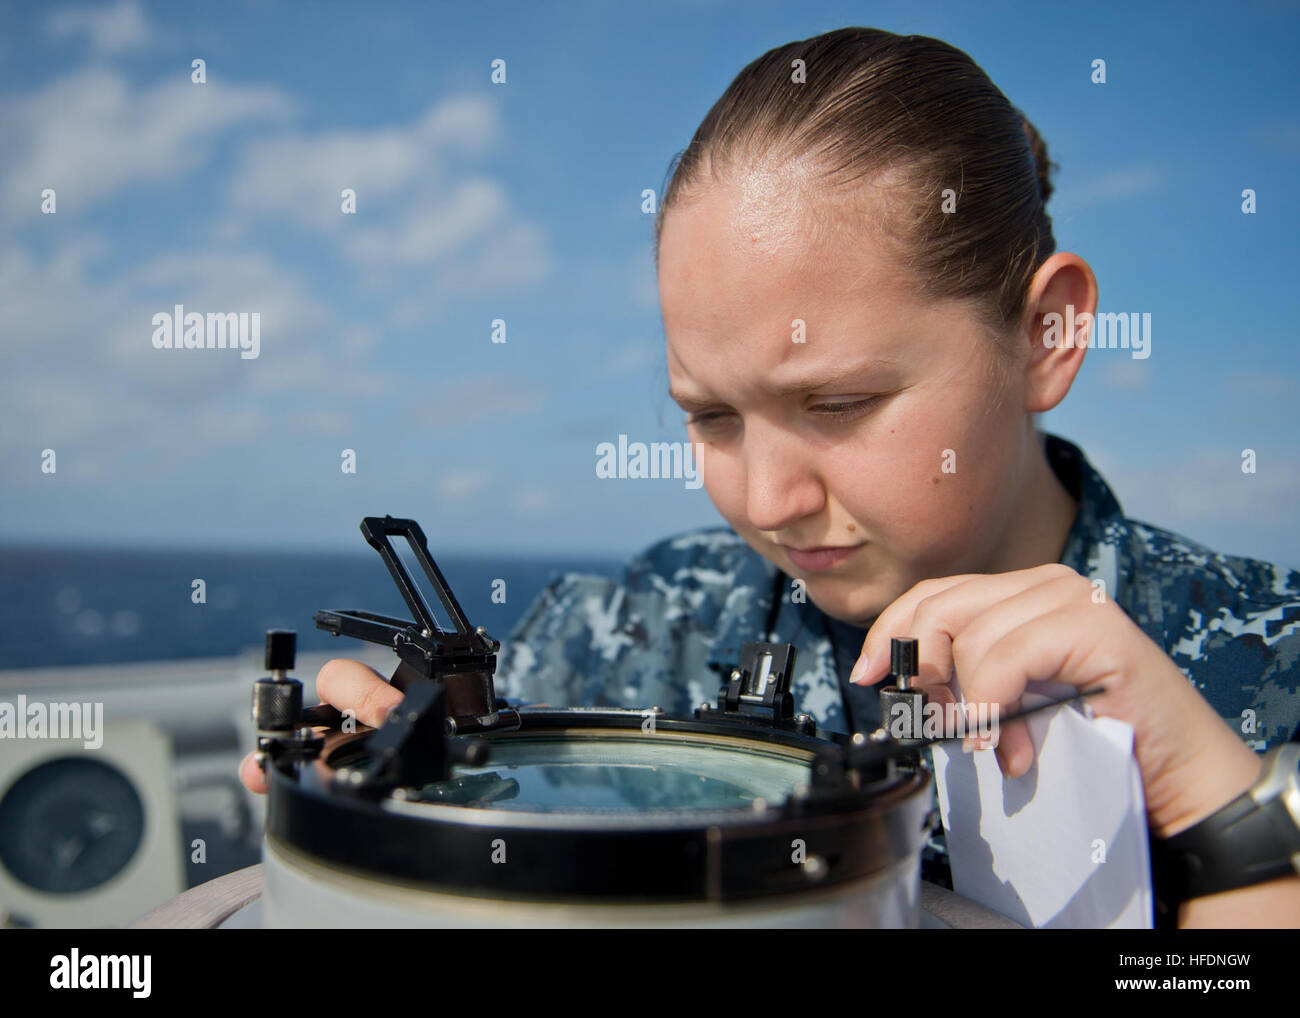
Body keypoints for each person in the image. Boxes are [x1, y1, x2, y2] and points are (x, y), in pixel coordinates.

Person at [239, 26, 1300, 928]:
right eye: (709, 414)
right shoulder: (627, 633)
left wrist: (1234, 822)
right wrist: (388, 813)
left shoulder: (1274, 666)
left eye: (835, 405)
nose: (764, 501)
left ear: (1044, 333)